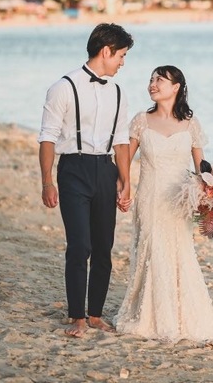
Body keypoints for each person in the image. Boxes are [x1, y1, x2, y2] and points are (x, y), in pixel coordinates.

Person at [114, 65, 213, 343]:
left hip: (179, 199)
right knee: (151, 251)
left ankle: (181, 316)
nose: (152, 84)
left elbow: (202, 165)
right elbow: (125, 159)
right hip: (150, 197)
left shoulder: (190, 123)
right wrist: (123, 186)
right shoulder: (141, 120)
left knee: (178, 252)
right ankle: (149, 316)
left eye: (159, 80)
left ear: (175, 87)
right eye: (151, 79)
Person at [38, 23, 135, 338]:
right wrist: (47, 182)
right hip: (73, 170)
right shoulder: (63, 87)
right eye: (121, 55)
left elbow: (121, 142)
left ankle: (95, 314)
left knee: (104, 248)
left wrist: (125, 182)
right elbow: (48, 138)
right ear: (106, 51)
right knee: (79, 246)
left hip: (106, 171)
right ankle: (77, 316)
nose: (122, 62)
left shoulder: (119, 92)